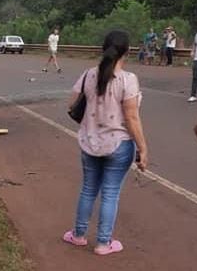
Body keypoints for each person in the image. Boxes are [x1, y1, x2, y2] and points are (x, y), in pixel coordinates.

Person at [62, 30, 148, 256]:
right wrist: (143, 148)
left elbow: (71, 103)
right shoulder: (128, 80)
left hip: (89, 142)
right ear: (127, 51)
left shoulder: (89, 74)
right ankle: (103, 243)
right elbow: (131, 117)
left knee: (89, 189)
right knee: (110, 193)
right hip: (119, 145)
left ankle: (78, 235)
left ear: (103, 49)